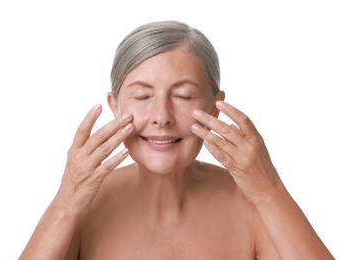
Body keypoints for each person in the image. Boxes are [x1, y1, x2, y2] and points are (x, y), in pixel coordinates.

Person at [19, 21, 334, 259]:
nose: (161, 116)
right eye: (142, 95)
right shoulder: (81, 209)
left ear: (215, 106)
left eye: (183, 96)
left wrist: (270, 191)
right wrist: (64, 204)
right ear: (115, 106)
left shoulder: (251, 206)